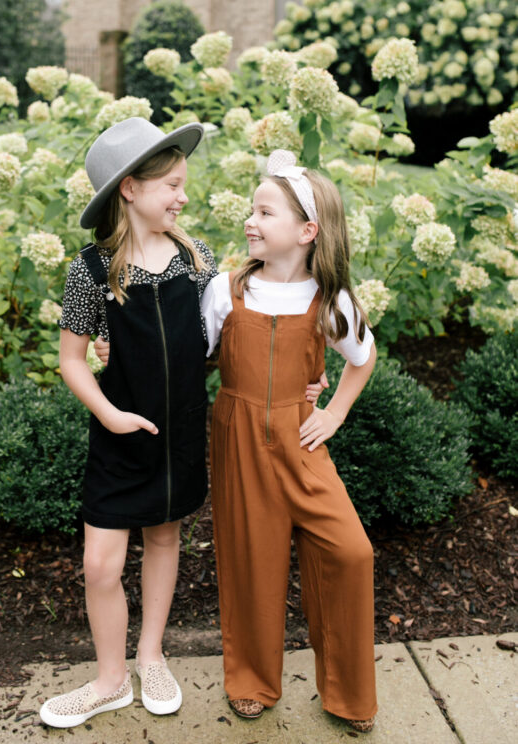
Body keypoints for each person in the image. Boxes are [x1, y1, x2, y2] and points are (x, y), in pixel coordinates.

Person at [39, 116, 219, 729]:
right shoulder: (93, 269)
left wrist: (309, 372)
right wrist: (110, 414)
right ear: (130, 190)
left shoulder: (198, 261)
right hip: (118, 435)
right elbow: (70, 358)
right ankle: (110, 679)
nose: (182, 196)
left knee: (165, 538)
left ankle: (150, 656)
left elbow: (222, 342)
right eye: (170, 184)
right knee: (101, 564)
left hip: (179, 432)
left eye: (183, 183)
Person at [202, 149, 378, 734]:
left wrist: (333, 413)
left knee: (350, 553)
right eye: (251, 210)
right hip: (240, 441)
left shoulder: (331, 302)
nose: (250, 221)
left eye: (264, 212)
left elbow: (362, 356)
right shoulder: (227, 292)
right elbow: (192, 357)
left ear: (306, 231)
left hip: (303, 443)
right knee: (253, 561)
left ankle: (348, 694)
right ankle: (251, 679)